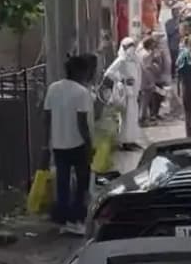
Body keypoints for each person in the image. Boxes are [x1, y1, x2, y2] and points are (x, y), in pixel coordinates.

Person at [43, 55, 95, 234]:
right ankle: (77, 219)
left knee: (62, 184)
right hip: (78, 145)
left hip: (58, 144)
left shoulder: (53, 88)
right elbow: (82, 123)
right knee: (82, 183)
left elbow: (47, 118)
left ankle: (63, 220)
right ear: (81, 71)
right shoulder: (81, 92)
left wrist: (47, 143)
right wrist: (89, 145)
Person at [102, 37, 144, 150]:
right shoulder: (121, 60)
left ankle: (132, 139)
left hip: (134, 92)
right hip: (126, 93)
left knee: (133, 118)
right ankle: (125, 141)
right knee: (126, 118)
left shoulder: (135, 59)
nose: (132, 49)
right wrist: (122, 80)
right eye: (129, 46)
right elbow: (109, 73)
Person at [139, 37, 168, 122]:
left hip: (145, 80)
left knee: (146, 101)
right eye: (153, 43)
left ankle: (145, 117)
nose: (154, 45)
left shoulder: (142, 53)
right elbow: (148, 68)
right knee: (145, 101)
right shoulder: (147, 54)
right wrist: (151, 82)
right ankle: (142, 119)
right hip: (147, 81)